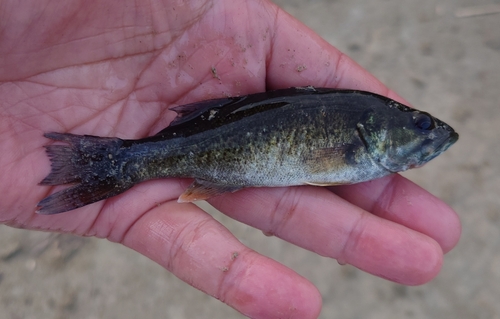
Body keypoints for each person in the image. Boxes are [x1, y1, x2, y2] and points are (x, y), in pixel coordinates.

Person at [0, 1, 461, 318]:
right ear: (375, 131)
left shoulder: (364, 129)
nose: (432, 132)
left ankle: (114, 163)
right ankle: (119, 162)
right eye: (420, 124)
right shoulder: (361, 126)